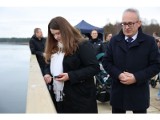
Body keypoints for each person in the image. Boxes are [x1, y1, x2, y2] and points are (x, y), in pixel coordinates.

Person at [102, 8, 160, 113]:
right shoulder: (114, 41)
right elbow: (106, 62)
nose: (127, 27)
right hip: (118, 93)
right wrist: (119, 74)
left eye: (130, 23)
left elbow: (156, 65)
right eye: (124, 24)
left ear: (139, 23)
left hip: (139, 93)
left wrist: (136, 77)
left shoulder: (149, 41)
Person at [43, 16, 100, 113]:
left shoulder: (82, 44)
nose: (56, 37)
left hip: (80, 98)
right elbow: (48, 64)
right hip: (60, 96)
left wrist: (70, 76)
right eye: (53, 34)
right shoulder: (54, 47)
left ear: (66, 30)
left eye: (58, 33)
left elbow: (94, 68)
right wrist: (47, 73)